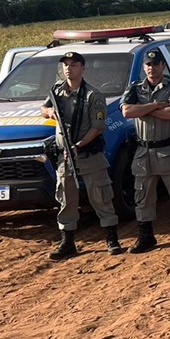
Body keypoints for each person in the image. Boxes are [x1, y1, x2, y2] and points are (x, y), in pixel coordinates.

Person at [41, 50, 123, 260]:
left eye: (74, 64)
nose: (69, 68)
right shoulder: (56, 91)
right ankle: (67, 242)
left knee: (101, 197)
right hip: (64, 158)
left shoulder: (92, 95)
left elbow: (97, 127)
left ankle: (111, 239)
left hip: (88, 154)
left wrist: (79, 145)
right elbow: (44, 109)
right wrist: (50, 113)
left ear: (83, 68)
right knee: (66, 199)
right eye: (66, 64)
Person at [121, 49, 170, 252]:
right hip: (143, 153)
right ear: (144, 67)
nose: (152, 68)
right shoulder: (135, 88)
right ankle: (146, 237)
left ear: (163, 66)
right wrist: (154, 106)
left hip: (168, 150)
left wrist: (143, 109)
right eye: (148, 65)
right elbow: (127, 111)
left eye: (156, 64)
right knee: (143, 197)